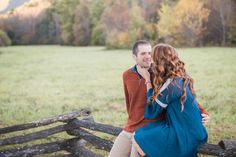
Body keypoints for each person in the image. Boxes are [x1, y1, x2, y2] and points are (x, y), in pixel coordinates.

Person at [108, 40, 209, 157]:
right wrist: (132, 120)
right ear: (134, 56)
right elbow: (129, 103)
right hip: (132, 127)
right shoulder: (127, 75)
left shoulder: (161, 74)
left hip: (155, 127)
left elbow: (184, 96)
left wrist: (203, 112)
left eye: (150, 53)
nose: (148, 57)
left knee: (137, 148)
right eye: (143, 53)